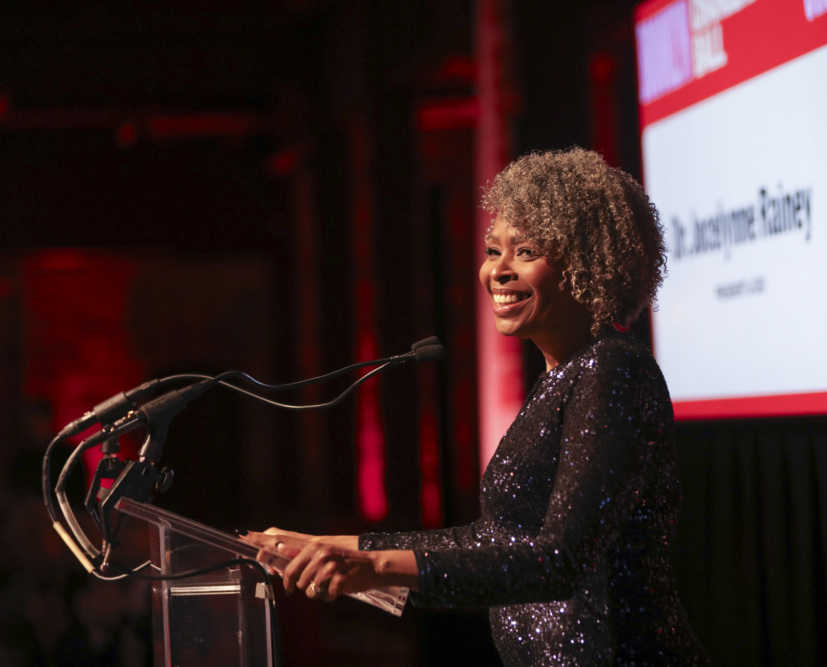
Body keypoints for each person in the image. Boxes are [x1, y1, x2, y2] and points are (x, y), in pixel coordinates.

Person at [246, 147, 709, 665]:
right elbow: (493, 539)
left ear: (589, 263)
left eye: (526, 251)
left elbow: (559, 560)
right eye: (494, 251)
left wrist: (372, 567)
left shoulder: (612, 372)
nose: (499, 272)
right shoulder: (562, 379)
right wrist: (342, 545)